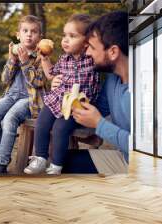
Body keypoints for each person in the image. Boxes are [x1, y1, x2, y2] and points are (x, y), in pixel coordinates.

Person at [24, 14, 100, 175]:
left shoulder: (92, 59)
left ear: (86, 42)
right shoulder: (64, 59)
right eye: (64, 35)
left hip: (76, 106)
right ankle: (40, 158)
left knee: (60, 129)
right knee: (42, 123)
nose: (65, 40)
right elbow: (51, 74)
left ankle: (56, 165)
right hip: (57, 99)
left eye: (72, 36)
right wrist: (44, 59)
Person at [65, 11, 130, 174]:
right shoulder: (113, 80)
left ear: (113, 52)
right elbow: (93, 109)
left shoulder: (147, 91)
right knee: (62, 162)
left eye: (92, 48)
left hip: (146, 168)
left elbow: (144, 148)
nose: (87, 53)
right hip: (123, 159)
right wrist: (64, 89)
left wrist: (99, 124)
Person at [0, 15, 48, 174]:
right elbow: (4, 80)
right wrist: (12, 60)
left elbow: (38, 82)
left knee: (9, 118)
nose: (29, 34)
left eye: (33, 32)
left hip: (30, 99)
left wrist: (26, 62)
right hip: (11, 95)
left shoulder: (42, 57)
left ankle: (0, 163)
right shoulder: (15, 51)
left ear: (39, 37)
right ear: (18, 34)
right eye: (25, 31)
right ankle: (1, 155)